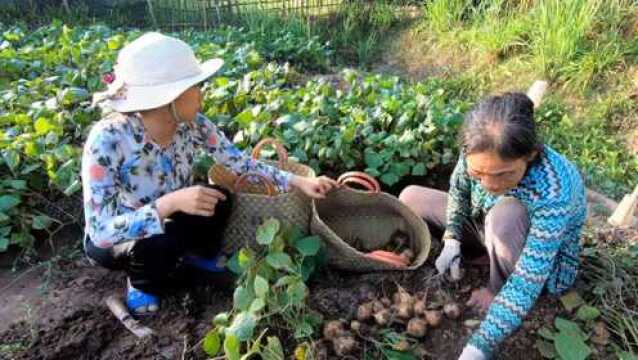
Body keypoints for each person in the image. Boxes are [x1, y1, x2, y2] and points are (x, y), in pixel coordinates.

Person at [82, 32, 337, 315]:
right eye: (196, 87)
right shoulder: (109, 139)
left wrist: (297, 180)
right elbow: (100, 232)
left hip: (171, 217)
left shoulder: (194, 125)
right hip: (124, 236)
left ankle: (194, 255)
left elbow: (239, 162)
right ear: (170, 98)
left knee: (220, 200)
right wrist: (169, 204)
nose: (201, 94)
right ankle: (142, 283)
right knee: (157, 242)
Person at [399, 93, 586, 359]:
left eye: (503, 174)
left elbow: (526, 282)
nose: (489, 185)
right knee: (410, 198)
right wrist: (452, 237)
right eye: (479, 174)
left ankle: (497, 284)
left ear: (530, 155)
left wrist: (478, 348)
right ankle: (485, 254)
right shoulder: (474, 150)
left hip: (535, 256)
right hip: (486, 225)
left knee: (506, 216)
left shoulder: (554, 191)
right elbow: (459, 192)